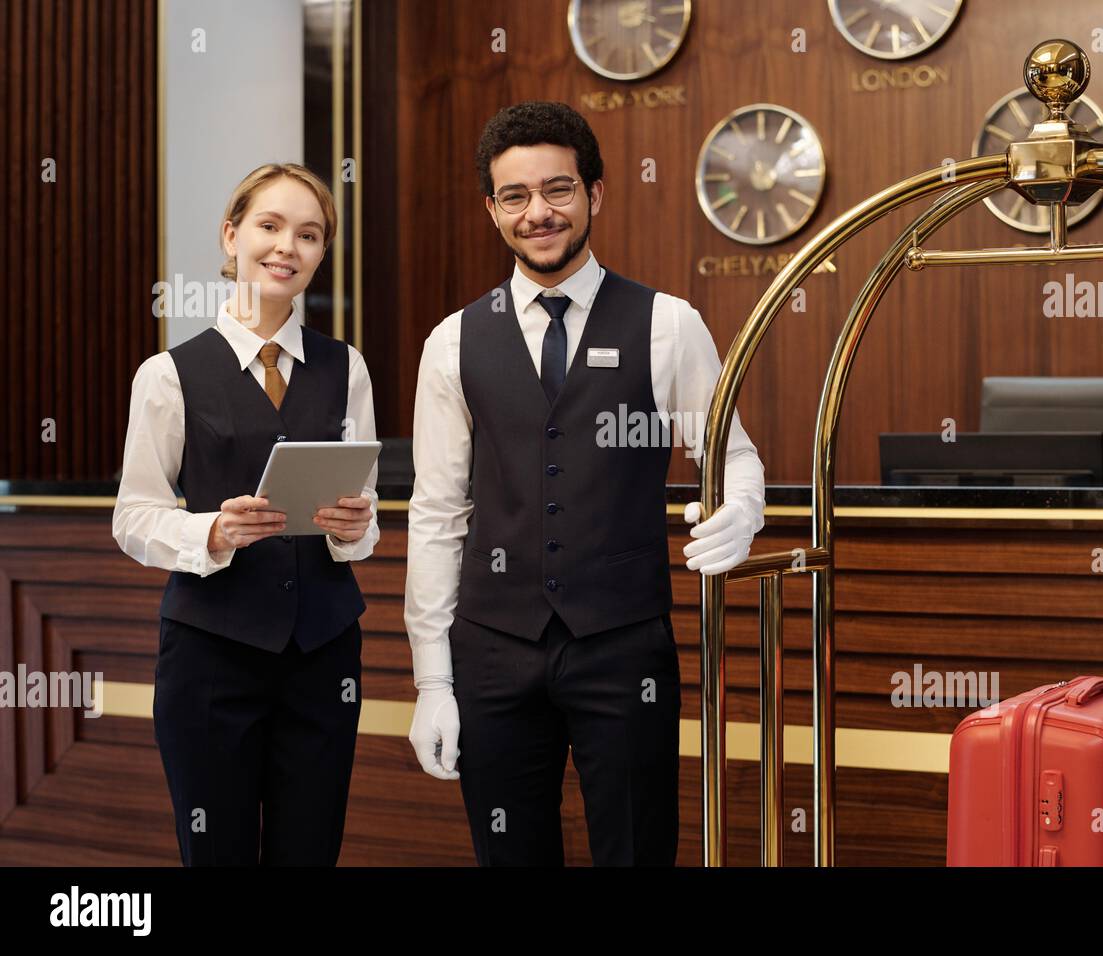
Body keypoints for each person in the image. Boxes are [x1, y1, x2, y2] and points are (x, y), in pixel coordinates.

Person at [405, 102, 765, 865]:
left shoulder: (668, 324)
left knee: (636, 851)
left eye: (558, 189)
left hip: (623, 647)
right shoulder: (452, 342)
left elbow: (731, 453)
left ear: (595, 194)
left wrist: (745, 507)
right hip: (493, 650)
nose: (539, 212)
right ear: (493, 211)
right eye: (515, 196)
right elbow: (438, 514)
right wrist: (432, 680)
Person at [112, 163, 380, 865]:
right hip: (210, 662)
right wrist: (211, 530)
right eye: (269, 226)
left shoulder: (346, 368)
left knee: (309, 854)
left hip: (324, 658)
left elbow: (366, 510)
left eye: (309, 234)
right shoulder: (168, 374)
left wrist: (356, 529)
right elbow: (133, 516)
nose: (287, 246)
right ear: (231, 236)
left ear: (322, 254)